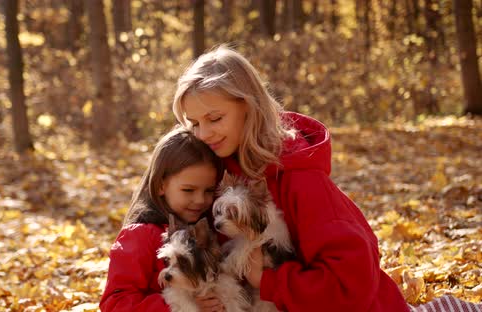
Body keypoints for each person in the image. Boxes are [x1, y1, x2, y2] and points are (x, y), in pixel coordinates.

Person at [172, 45, 411, 312]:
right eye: (194, 123)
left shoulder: (302, 180)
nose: (203, 133)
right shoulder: (213, 175)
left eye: (214, 118)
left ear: (249, 107)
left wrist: (268, 281)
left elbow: (351, 283)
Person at [99, 126, 227, 312]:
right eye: (188, 190)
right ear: (161, 186)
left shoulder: (209, 229)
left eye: (208, 190)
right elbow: (115, 304)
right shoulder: (141, 235)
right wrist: (177, 307)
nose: (200, 200)